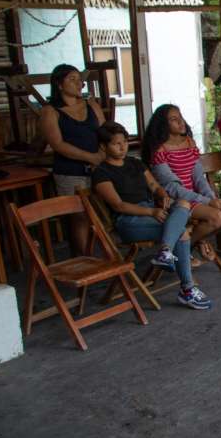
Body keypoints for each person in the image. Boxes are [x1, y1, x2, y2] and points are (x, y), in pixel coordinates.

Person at [91, 122, 213, 310]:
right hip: (129, 221)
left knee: (183, 203)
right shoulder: (101, 172)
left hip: (152, 211)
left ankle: (166, 252)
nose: (122, 147)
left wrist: (162, 196)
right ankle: (187, 289)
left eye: (124, 142)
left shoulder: (135, 163)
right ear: (103, 146)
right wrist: (151, 212)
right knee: (181, 232)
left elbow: (155, 186)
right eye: (116, 144)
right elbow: (118, 205)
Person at [142, 104, 221, 264]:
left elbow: (199, 178)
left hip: (197, 197)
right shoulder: (159, 150)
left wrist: (212, 198)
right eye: (174, 119)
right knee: (216, 217)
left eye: (180, 117)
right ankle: (184, 249)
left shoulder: (189, 142)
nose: (180, 122)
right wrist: (208, 202)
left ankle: (191, 243)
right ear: (163, 125)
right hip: (177, 201)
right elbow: (172, 188)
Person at [39, 64, 107, 255]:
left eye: (80, 80)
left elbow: (105, 132)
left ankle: (105, 256)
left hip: (97, 167)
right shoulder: (50, 111)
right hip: (70, 171)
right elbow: (58, 144)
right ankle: (84, 259)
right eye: (72, 79)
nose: (79, 84)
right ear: (59, 84)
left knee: (101, 213)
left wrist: (102, 154)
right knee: (79, 216)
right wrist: (90, 157)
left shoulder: (91, 105)